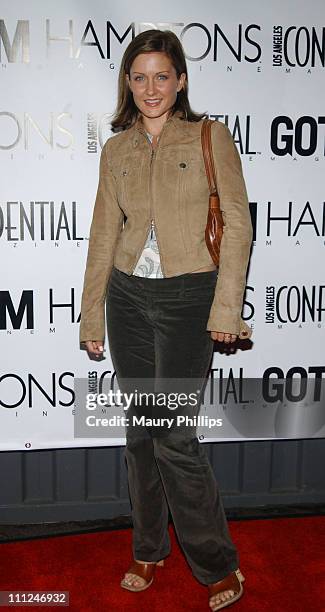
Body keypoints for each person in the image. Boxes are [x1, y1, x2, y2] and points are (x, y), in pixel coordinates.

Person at [79, 29, 253, 612]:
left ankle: (216, 562)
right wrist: (92, 317)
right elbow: (104, 235)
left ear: (180, 80)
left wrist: (226, 306)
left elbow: (237, 223)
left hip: (187, 299)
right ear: (127, 84)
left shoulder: (209, 136)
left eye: (161, 75)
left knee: (175, 438)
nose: (150, 88)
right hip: (128, 299)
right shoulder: (116, 150)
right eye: (139, 76)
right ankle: (149, 547)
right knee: (139, 434)